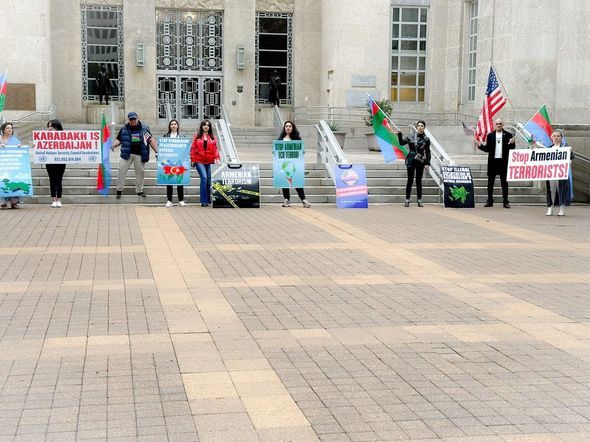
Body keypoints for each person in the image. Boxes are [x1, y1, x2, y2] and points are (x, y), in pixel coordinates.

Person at [112, 112, 158, 199]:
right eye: (131, 119)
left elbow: (151, 140)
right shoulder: (124, 129)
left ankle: (139, 191)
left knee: (140, 173)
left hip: (140, 155)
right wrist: (114, 145)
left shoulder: (144, 129)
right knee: (121, 170)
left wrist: (157, 151)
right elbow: (119, 139)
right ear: (128, 120)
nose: (133, 121)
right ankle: (119, 190)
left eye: (134, 119)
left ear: (137, 118)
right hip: (126, 154)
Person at [477, 118, 515, 208]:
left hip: (503, 162)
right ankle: (489, 201)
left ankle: (505, 201)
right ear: (495, 125)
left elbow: (512, 148)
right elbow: (487, 149)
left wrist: (513, 143)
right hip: (493, 162)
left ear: (503, 125)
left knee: (504, 183)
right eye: (497, 124)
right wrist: (480, 146)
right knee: (490, 183)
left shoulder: (508, 135)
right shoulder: (490, 135)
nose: (498, 125)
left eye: (500, 123)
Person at [396, 120, 431, 207]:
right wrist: (400, 134)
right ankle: (407, 200)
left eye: (422, 126)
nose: (420, 127)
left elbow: (428, 152)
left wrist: (427, 163)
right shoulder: (411, 136)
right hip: (411, 160)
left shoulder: (426, 139)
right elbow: (401, 143)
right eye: (418, 125)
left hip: (420, 161)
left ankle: (419, 200)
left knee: (419, 181)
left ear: (424, 127)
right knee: (410, 180)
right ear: (416, 127)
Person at [278, 121, 311, 208]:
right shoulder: (280, 139)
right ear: (284, 128)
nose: (288, 128)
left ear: (293, 128)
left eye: (290, 126)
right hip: (284, 164)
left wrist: (302, 152)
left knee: (297, 182)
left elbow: (300, 151)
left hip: (294, 164)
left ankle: (303, 200)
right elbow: (277, 151)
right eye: (286, 126)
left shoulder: (297, 139)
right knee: (285, 182)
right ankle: (286, 200)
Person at [190, 119, 220, 207]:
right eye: (204, 125)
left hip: (210, 161)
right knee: (204, 178)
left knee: (208, 181)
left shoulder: (213, 138)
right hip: (199, 161)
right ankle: (203, 201)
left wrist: (217, 158)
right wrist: (192, 160)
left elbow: (216, 150)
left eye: (208, 125)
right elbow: (193, 149)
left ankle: (208, 200)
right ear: (201, 126)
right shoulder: (197, 136)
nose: (206, 126)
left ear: (210, 127)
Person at [545, 129, 573, 217]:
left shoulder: (565, 147)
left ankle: (562, 208)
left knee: (561, 189)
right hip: (551, 172)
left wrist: (569, 156)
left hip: (561, 173)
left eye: (558, 136)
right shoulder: (549, 148)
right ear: (551, 137)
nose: (556, 137)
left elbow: (571, 158)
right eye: (554, 136)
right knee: (551, 190)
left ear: (561, 137)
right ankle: (550, 207)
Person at [163, 119, 187, 207]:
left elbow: (185, 148)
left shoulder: (182, 136)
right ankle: (169, 200)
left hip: (179, 161)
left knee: (179, 181)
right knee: (169, 180)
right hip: (170, 162)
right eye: (171, 124)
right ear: (169, 126)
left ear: (177, 126)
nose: (173, 125)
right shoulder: (165, 136)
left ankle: (181, 200)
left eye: (175, 124)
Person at [0, 122, 22, 209]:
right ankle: (3, 202)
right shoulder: (0, 138)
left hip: (12, 165)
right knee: (3, 182)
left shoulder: (15, 140)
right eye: (8, 128)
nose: (10, 129)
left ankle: (14, 202)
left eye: (11, 128)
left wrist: (19, 147)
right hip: (2, 165)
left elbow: (20, 152)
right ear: (3, 129)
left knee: (13, 182)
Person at [46, 119, 67, 208]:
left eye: (52, 126)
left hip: (61, 161)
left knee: (59, 180)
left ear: (57, 127)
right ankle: (53, 199)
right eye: (49, 126)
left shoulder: (64, 136)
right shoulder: (44, 137)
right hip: (49, 161)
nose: (50, 128)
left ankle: (58, 199)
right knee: (52, 180)